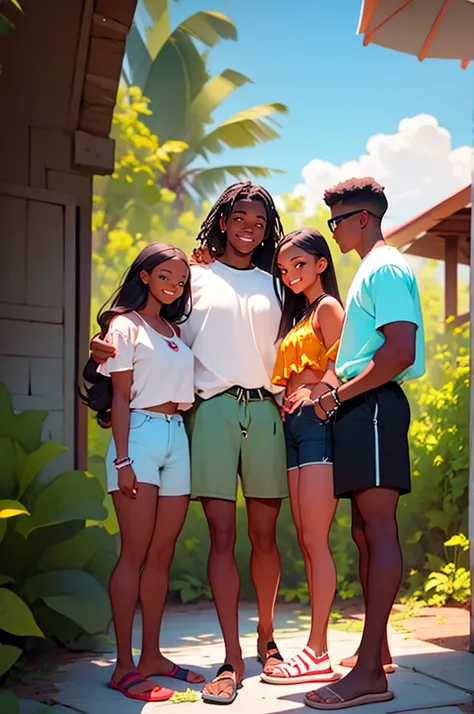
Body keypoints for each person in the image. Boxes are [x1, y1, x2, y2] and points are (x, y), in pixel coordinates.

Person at [91, 182, 288, 704]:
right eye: (239, 218)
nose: (249, 229)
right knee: (200, 540)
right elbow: (131, 345)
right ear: (221, 221)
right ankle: (219, 658)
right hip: (204, 414)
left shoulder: (276, 285)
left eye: (259, 222)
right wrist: (101, 348)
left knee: (247, 539)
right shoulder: (193, 279)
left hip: (246, 415)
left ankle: (259, 643)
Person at [304, 178, 425, 711]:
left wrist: (339, 397)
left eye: (337, 221)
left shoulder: (386, 268)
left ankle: (371, 673)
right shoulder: (368, 272)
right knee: (363, 530)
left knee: (378, 529)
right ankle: (375, 650)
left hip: (373, 406)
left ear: (361, 218)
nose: (333, 231)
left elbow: (399, 351)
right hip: (360, 408)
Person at [93, 243, 204, 703]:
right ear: (144, 276)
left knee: (162, 554)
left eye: (180, 280)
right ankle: (123, 667)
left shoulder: (174, 329)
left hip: (177, 436)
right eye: (165, 276)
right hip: (137, 435)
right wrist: (121, 459)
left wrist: (202, 262)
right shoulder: (125, 326)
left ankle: (153, 656)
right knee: (134, 555)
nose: (174, 285)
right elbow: (120, 397)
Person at [259, 228, 345, 686]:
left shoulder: (328, 307)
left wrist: (318, 390)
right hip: (294, 428)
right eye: (284, 268)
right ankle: (317, 649)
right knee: (305, 540)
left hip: (318, 428)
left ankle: (318, 650)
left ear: (320, 264)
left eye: (299, 265)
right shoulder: (298, 317)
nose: (290, 274)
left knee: (315, 540)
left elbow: (343, 363)